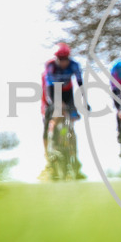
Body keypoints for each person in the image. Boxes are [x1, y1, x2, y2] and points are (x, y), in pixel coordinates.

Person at [41, 42, 86, 177]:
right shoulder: (50, 66)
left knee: (71, 121)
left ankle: (74, 156)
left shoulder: (74, 65)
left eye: (65, 58)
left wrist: (85, 101)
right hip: (52, 94)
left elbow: (80, 83)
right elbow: (48, 88)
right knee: (55, 116)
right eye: (60, 59)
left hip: (67, 94)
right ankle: (52, 147)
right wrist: (56, 104)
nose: (63, 62)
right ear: (56, 59)